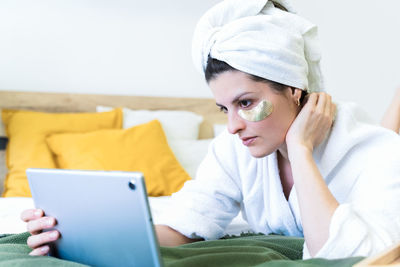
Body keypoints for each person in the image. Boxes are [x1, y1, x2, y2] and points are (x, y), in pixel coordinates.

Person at [21, 0, 400, 259]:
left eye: (246, 103)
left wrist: (300, 150)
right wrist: (81, 236)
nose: (232, 126)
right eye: (224, 108)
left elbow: (344, 256)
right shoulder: (235, 149)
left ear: (293, 89)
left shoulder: (377, 153)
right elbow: (183, 227)